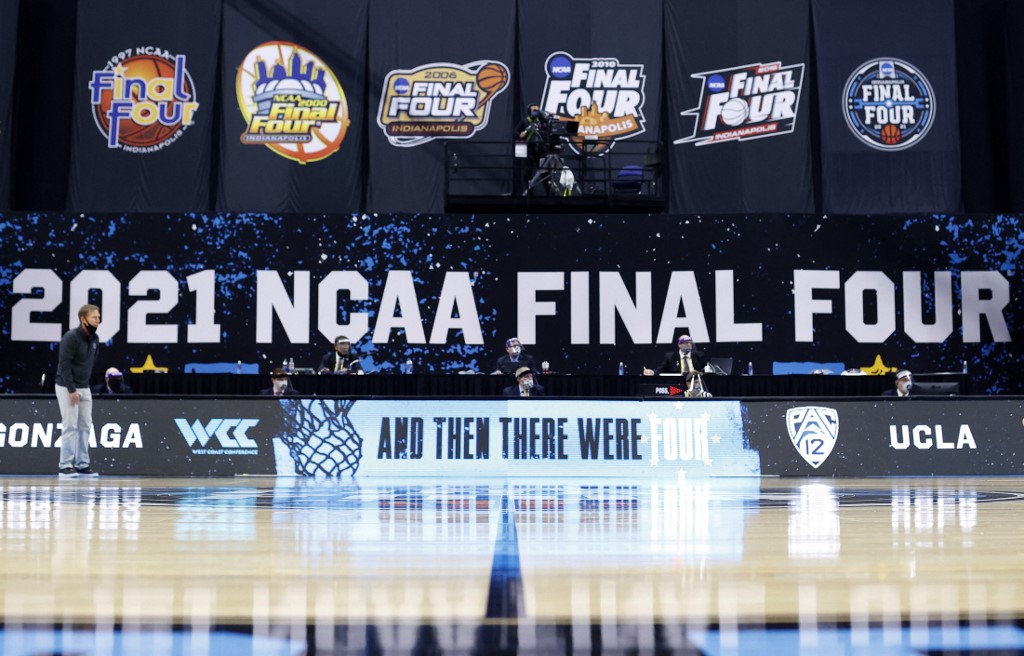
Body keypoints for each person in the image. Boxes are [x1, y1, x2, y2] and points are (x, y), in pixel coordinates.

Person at [55, 304, 102, 479]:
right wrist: (72, 389)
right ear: (83, 319)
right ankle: (65, 466)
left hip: (84, 387)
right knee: (70, 426)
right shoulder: (71, 337)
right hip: (67, 387)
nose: (98, 321)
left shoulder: (95, 339)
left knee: (85, 426)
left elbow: (90, 362)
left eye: (98, 317)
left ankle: (82, 464)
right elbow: (64, 365)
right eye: (94, 318)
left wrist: (83, 385)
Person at [643, 334, 708, 376]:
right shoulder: (670, 357)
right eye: (686, 343)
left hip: (695, 383)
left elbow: (706, 371)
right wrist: (652, 372)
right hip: (677, 384)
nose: (689, 344)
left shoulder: (699, 356)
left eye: (690, 343)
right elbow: (661, 369)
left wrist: (699, 373)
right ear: (679, 345)